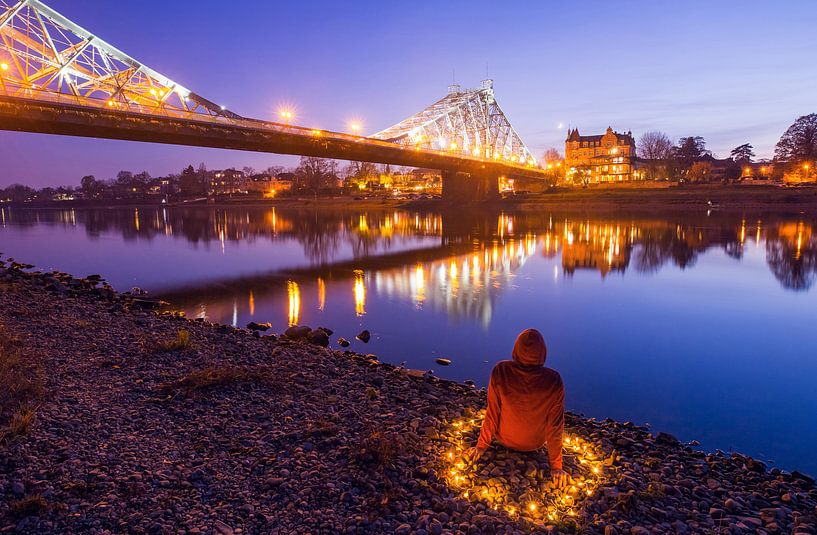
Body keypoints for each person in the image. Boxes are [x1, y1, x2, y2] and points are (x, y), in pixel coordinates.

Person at [465, 328, 568, 487]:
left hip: (504, 439)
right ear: (543, 352)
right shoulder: (553, 380)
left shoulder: (501, 371)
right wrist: (556, 466)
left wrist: (481, 446)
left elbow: (493, 413)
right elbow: (555, 426)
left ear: (516, 349)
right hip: (535, 443)